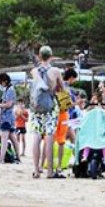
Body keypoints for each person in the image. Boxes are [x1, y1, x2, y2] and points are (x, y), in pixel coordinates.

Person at [29, 45, 63, 179]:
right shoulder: (55, 71)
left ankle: (36, 170)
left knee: (36, 136)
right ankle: (49, 171)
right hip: (50, 106)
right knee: (49, 137)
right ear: (51, 56)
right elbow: (62, 89)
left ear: (39, 56)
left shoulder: (34, 71)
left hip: (36, 107)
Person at [0, 73, 20, 164]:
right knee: (13, 138)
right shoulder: (8, 89)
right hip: (9, 117)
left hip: (7, 117)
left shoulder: (10, 90)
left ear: (5, 81)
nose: (0, 83)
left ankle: (1, 159)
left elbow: (9, 104)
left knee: (4, 138)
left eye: (1, 82)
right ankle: (18, 157)